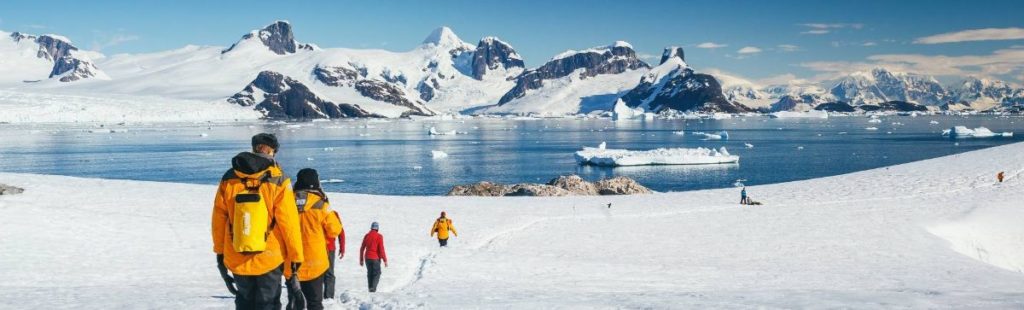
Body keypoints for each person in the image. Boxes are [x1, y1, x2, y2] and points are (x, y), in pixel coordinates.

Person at [211, 133, 304, 309]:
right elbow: (289, 223)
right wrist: (295, 256)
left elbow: (219, 218)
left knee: (244, 302)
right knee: (268, 303)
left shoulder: (230, 177)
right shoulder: (278, 179)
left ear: (254, 148)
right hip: (269, 257)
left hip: (237, 253)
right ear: (272, 152)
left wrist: (220, 252)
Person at [283, 168, 342, 310]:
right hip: (315, 262)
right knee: (314, 302)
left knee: (294, 301)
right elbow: (335, 230)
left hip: (291, 262)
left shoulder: (285, 202)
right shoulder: (321, 205)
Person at [359, 222, 388, 293]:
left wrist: (361, 260)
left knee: (370, 273)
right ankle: (373, 288)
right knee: (377, 273)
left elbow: (362, 248)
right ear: (377, 228)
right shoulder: (379, 236)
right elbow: (381, 249)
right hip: (375, 258)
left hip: (367, 258)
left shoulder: (367, 236)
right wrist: (385, 260)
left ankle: (370, 288)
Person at [323, 211, 345, 300]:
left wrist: (342, 247)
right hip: (327, 248)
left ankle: (327, 298)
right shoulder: (333, 214)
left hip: (320, 247)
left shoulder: (310, 210)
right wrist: (342, 247)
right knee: (328, 273)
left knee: (321, 273)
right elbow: (341, 231)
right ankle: (328, 297)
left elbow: (340, 231)